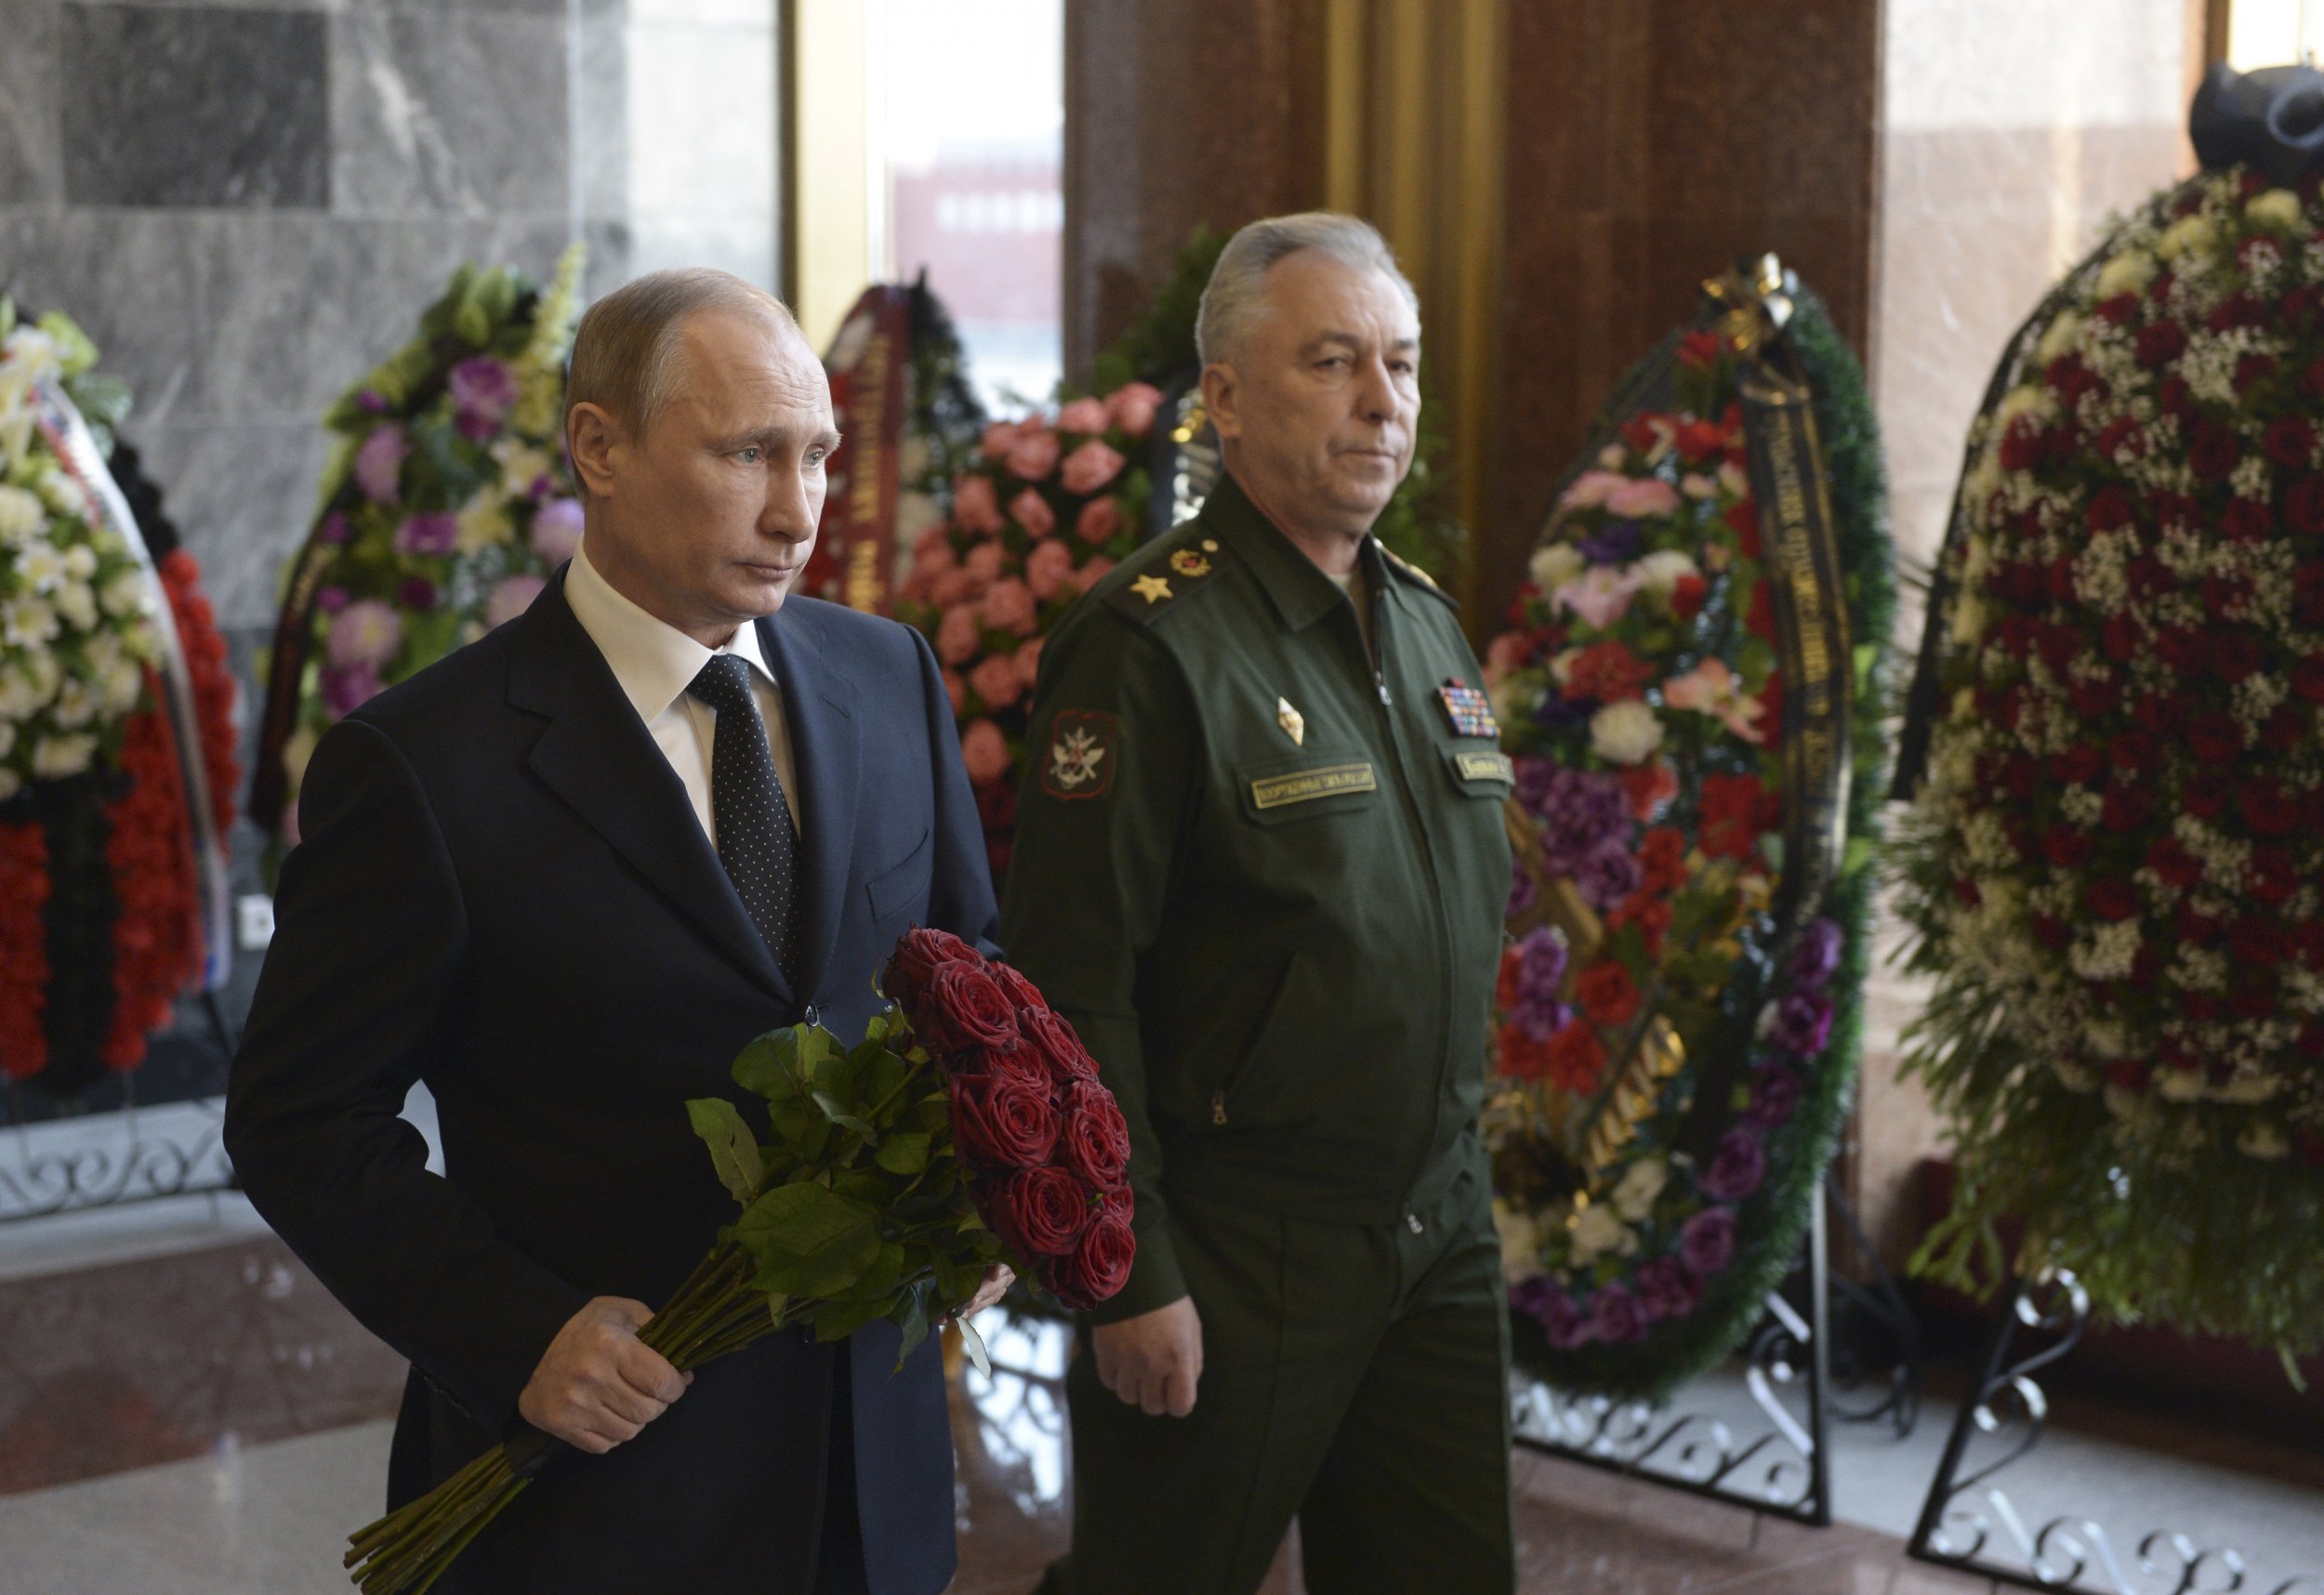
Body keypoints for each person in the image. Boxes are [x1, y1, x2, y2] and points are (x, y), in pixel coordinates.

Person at [225, 269, 1006, 1595]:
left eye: (815, 454)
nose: (797, 507)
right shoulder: (423, 764)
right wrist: (517, 1332)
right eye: (746, 452)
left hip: (868, 1478)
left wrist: (980, 1187)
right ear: (600, 443)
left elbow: (969, 978)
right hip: (599, 1489)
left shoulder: (890, 677)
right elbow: (299, 1118)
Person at [1002, 214, 1518, 1594]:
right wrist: (1127, 1268)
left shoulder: (1425, 624)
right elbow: (1072, 989)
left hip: (1432, 1230)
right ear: (1223, 397)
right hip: (1235, 1249)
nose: (1383, 401)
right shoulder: (1148, 647)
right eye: (1334, 361)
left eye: (1402, 365)